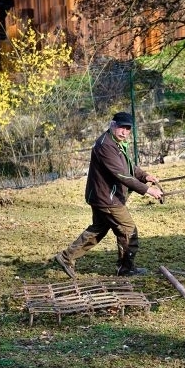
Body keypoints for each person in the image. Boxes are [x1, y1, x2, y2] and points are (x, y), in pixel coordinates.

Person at [53, 111, 164, 278]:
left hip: (101, 196)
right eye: (121, 128)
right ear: (112, 125)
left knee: (98, 229)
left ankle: (66, 257)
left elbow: (128, 166)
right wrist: (148, 190)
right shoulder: (106, 146)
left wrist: (144, 176)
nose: (124, 132)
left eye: (128, 129)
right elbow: (122, 174)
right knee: (128, 230)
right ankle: (126, 269)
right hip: (107, 199)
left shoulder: (115, 143)